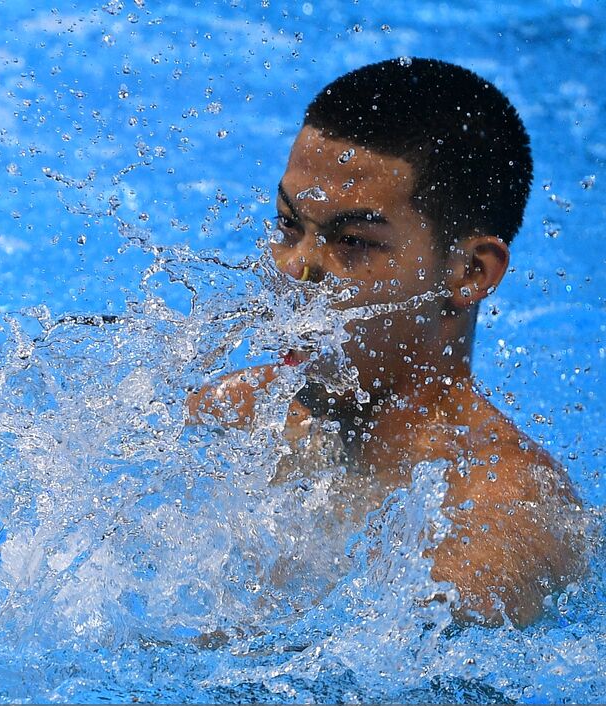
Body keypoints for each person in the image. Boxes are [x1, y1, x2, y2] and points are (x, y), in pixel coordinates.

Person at [188, 57, 584, 628]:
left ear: (470, 273)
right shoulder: (239, 410)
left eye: (353, 241)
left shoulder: (504, 515)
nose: (297, 269)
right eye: (289, 225)